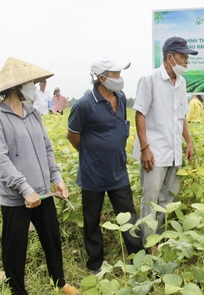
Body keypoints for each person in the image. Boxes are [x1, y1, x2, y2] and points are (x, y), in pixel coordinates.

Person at [0, 57, 79, 294]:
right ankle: (17, 290)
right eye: (31, 84)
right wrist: (25, 189)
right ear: (17, 87)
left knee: (52, 240)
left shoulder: (32, 113)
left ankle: (60, 283)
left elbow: (46, 148)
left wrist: (56, 178)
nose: (34, 87)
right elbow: (0, 160)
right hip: (17, 197)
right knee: (15, 248)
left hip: (43, 192)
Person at [66, 56, 144, 273]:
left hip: (118, 172)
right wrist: (91, 154)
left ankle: (139, 259)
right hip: (93, 175)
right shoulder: (84, 105)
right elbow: (72, 135)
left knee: (129, 216)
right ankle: (95, 264)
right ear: (102, 78)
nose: (120, 79)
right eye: (115, 74)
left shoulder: (121, 97)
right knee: (91, 220)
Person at [133, 36, 197, 253]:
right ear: (170, 57)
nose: (187, 60)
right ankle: (149, 246)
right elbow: (140, 113)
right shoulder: (149, 79)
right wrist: (145, 148)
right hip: (154, 152)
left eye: (188, 56)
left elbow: (182, 116)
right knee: (150, 200)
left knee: (167, 198)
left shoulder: (181, 82)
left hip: (173, 152)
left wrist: (189, 142)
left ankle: (158, 241)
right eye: (183, 56)